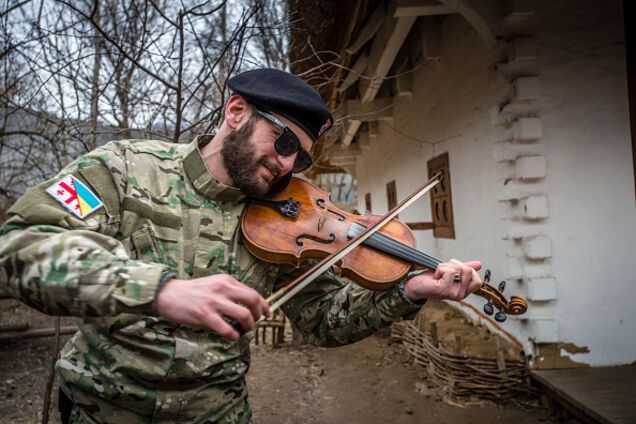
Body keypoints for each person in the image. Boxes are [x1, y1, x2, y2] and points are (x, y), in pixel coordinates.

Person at [0, 69, 482, 423]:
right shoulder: (124, 169)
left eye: (301, 158)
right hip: (101, 413)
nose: (288, 167)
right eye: (284, 142)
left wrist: (408, 291)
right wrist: (159, 289)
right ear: (236, 112)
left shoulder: (284, 222)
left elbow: (324, 321)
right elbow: (21, 245)